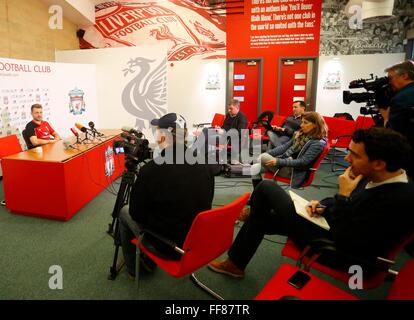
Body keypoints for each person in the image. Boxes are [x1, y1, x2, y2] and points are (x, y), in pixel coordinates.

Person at [208, 127, 414, 278]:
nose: (347, 159)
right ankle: (235, 263)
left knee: (266, 188)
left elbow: (348, 239)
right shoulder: (376, 176)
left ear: (379, 163)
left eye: (354, 155)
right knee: (261, 218)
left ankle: (240, 243)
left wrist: (342, 197)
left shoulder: (398, 199)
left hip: (337, 251)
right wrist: (323, 204)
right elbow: (347, 206)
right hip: (328, 226)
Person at [118, 113, 216, 279]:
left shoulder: (151, 171)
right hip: (198, 242)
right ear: (184, 134)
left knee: (124, 212)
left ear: (164, 136)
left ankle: (138, 269)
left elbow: (136, 214)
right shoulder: (205, 163)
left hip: (167, 246)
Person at [250, 111, 328, 189]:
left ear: (315, 125)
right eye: (302, 122)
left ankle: (254, 160)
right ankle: (258, 193)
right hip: (285, 162)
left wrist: (278, 161)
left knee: (262, 157)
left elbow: (303, 162)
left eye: (305, 123)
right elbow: (284, 147)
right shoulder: (301, 134)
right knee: (254, 168)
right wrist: (269, 154)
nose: (301, 125)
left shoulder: (317, 143)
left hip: (294, 171)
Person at [382, 60, 414, 177]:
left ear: (404, 76)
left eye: (391, 78)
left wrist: (384, 111)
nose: (389, 83)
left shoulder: (401, 98)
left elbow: (392, 133)